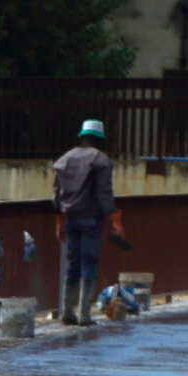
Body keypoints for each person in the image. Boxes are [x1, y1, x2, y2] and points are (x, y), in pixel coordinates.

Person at [51, 118, 122, 325]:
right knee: (88, 264)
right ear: (99, 139)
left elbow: (56, 195)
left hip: (69, 219)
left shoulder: (64, 159)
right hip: (91, 219)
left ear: (82, 136)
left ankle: (66, 312)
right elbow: (104, 193)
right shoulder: (100, 159)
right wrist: (115, 219)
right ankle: (84, 315)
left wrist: (58, 221)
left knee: (72, 264)